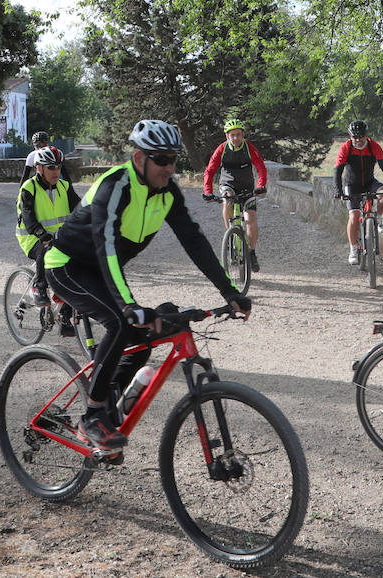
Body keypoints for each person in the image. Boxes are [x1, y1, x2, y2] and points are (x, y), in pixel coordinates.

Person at [44, 119, 251, 450]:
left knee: (159, 322)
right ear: (139, 158)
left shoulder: (167, 193)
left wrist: (230, 291)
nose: (169, 167)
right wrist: (128, 306)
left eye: (174, 159)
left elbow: (195, 242)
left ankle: (112, 396)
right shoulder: (116, 186)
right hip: (67, 265)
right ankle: (93, 416)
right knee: (119, 321)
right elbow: (106, 247)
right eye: (161, 159)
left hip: (102, 269)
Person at [16, 146, 81, 320]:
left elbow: (80, 210)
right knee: (47, 250)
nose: (56, 171)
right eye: (51, 167)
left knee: (80, 261)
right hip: (31, 237)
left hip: (59, 237)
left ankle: (65, 316)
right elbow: (28, 217)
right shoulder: (28, 188)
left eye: (58, 167)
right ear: (39, 168)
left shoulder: (65, 186)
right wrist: (42, 235)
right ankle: (39, 286)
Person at [202, 118, 268, 272]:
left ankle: (251, 253)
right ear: (227, 136)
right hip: (228, 184)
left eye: (239, 134)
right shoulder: (222, 149)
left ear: (243, 134)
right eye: (232, 135)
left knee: (251, 220)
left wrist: (260, 186)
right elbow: (210, 170)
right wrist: (208, 191)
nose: (236, 138)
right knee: (227, 200)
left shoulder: (249, 148)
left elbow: (261, 168)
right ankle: (230, 234)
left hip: (247, 187)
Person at [333, 120, 383, 269]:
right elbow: (338, 171)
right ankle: (352, 250)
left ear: (366, 135)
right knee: (354, 216)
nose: (357, 140)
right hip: (351, 184)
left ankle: (378, 219)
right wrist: (338, 190)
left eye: (361, 137)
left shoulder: (373, 146)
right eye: (354, 137)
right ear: (350, 137)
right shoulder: (346, 147)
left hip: (370, 182)